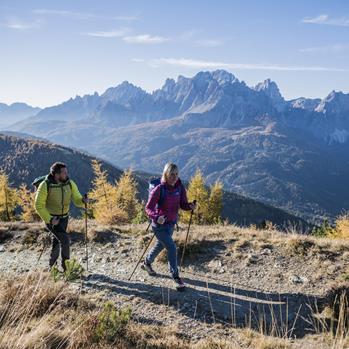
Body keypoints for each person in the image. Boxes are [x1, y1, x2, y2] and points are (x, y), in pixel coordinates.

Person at [143, 162, 196, 289]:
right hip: (159, 225)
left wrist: (190, 206)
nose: (174, 177)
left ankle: (147, 262)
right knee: (172, 248)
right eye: (172, 174)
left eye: (176, 174)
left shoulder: (180, 188)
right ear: (166, 174)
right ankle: (176, 277)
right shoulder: (159, 189)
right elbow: (148, 208)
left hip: (171, 224)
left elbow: (183, 204)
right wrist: (156, 217)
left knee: (160, 245)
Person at [35, 162, 88, 271]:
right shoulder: (45, 185)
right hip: (52, 219)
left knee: (57, 241)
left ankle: (52, 267)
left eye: (66, 172)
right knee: (65, 241)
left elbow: (77, 199)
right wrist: (49, 219)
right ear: (56, 175)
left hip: (64, 218)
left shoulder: (70, 183)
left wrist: (83, 201)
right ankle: (67, 268)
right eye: (64, 173)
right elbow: (38, 205)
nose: (67, 174)